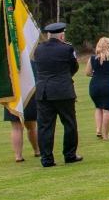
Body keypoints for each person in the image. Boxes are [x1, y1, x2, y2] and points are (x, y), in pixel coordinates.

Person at [32, 22, 82, 167]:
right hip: (63, 90)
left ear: (48, 35)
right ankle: (69, 155)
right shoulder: (67, 49)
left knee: (45, 126)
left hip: (43, 91)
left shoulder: (39, 49)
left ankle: (46, 159)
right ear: (62, 35)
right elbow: (74, 66)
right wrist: (65, 77)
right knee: (69, 123)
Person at [85, 36, 109, 140]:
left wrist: (97, 74)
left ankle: (98, 129)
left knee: (98, 107)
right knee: (107, 110)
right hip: (108, 83)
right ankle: (105, 134)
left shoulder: (92, 58)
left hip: (95, 84)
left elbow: (88, 73)